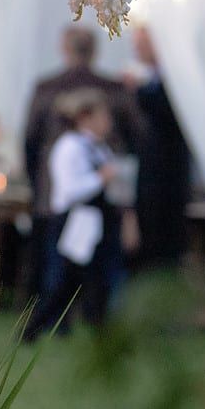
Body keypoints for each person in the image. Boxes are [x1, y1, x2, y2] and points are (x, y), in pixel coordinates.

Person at [21, 25, 140, 303]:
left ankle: (56, 311)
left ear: (64, 49)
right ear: (95, 51)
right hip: (104, 194)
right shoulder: (114, 89)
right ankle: (91, 311)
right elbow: (136, 136)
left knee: (57, 262)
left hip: (56, 192)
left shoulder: (47, 88)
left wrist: (35, 184)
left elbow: (30, 140)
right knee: (95, 264)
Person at [24, 90, 122, 341]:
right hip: (74, 222)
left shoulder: (100, 149)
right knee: (64, 280)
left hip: (96, 221)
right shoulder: (70, 147)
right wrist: (100, 179)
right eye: (103, 116)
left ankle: (97, 329)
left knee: (94, 279)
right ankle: (36, 327)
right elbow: (69, 190)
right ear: (85, 118)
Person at [127, 25, 191, 270]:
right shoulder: (149, 81)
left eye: (143, 44)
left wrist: (140, 92)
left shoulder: (175, 79)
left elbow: (171, 115)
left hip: (168, 175)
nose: (138, 51)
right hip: (147, 174)